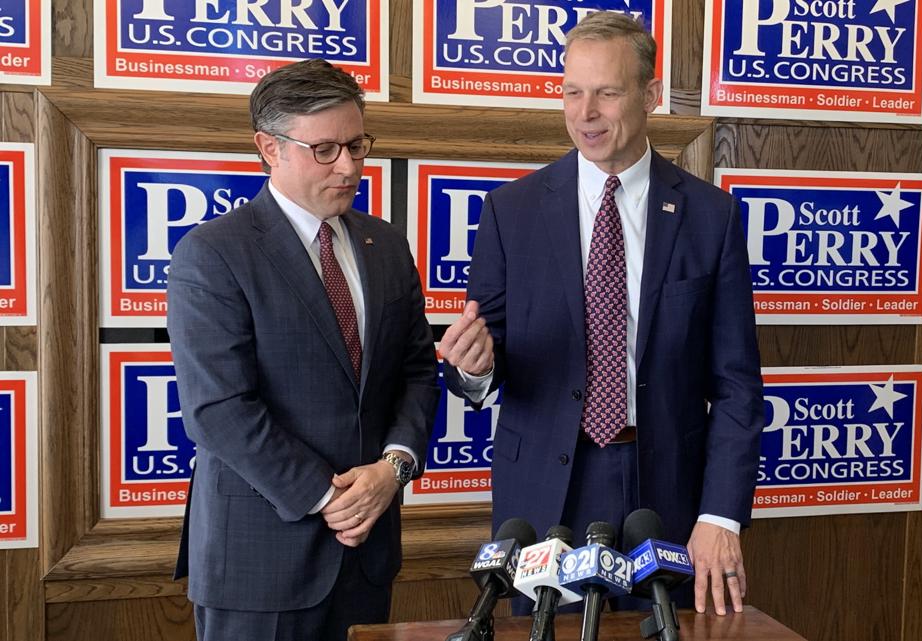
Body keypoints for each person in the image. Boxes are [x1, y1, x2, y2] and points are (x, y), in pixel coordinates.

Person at [438, 11, 764, 616]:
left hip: (666, 490)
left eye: (607, 93)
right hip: (543, 493)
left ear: (651, 96)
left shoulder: (711, 216)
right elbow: (486, 362)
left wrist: (720, 516)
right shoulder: (512, 212)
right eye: (572, 92)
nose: (584, 113)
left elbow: (738, 385)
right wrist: (475, 368)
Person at [167, 59, 439, 641]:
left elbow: (417, 371)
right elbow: (218, 410)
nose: (348, 166)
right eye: (325, 150)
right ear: (269, 147)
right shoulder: (214, 253)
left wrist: (392, 471)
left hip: (367, 554)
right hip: (259, 563)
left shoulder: (386, 245)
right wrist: (327, 497)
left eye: (357, 145)